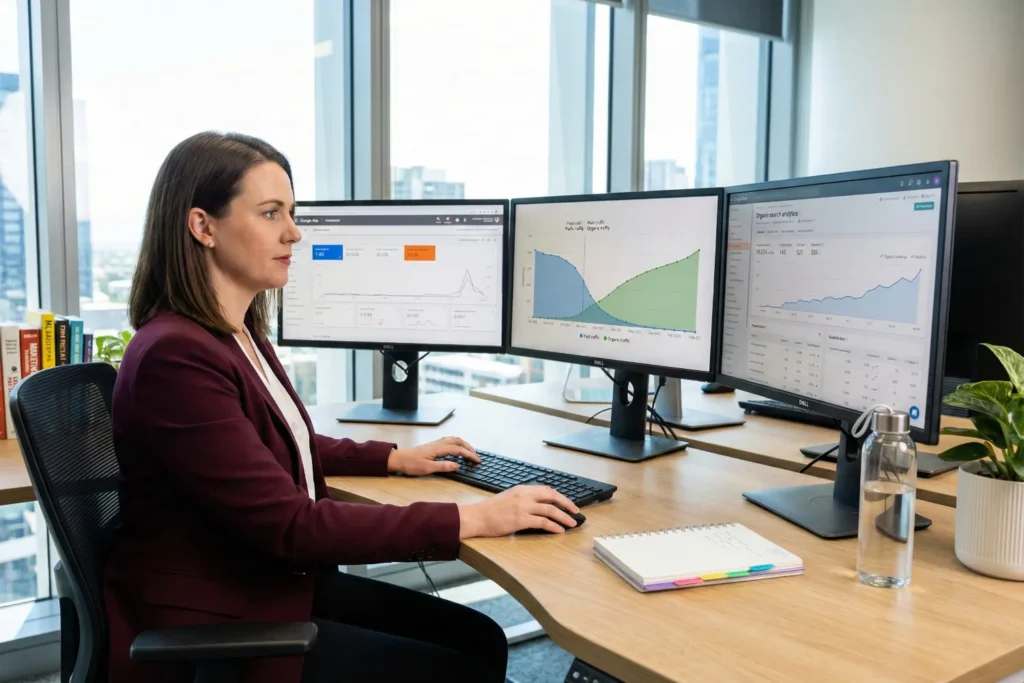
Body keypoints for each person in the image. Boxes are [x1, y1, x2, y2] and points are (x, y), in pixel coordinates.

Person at [104, 131, 581, 683]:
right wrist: (476, 518)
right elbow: (293, 526)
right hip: (224, 614)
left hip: (268, 579)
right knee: (459, 667)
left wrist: (391, 458)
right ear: (202, 226)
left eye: (292, 212)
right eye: (270, 213)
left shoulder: (235, 332)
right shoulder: (176, 356)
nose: (294, 232)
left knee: (481, 638)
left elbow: (269, 442)